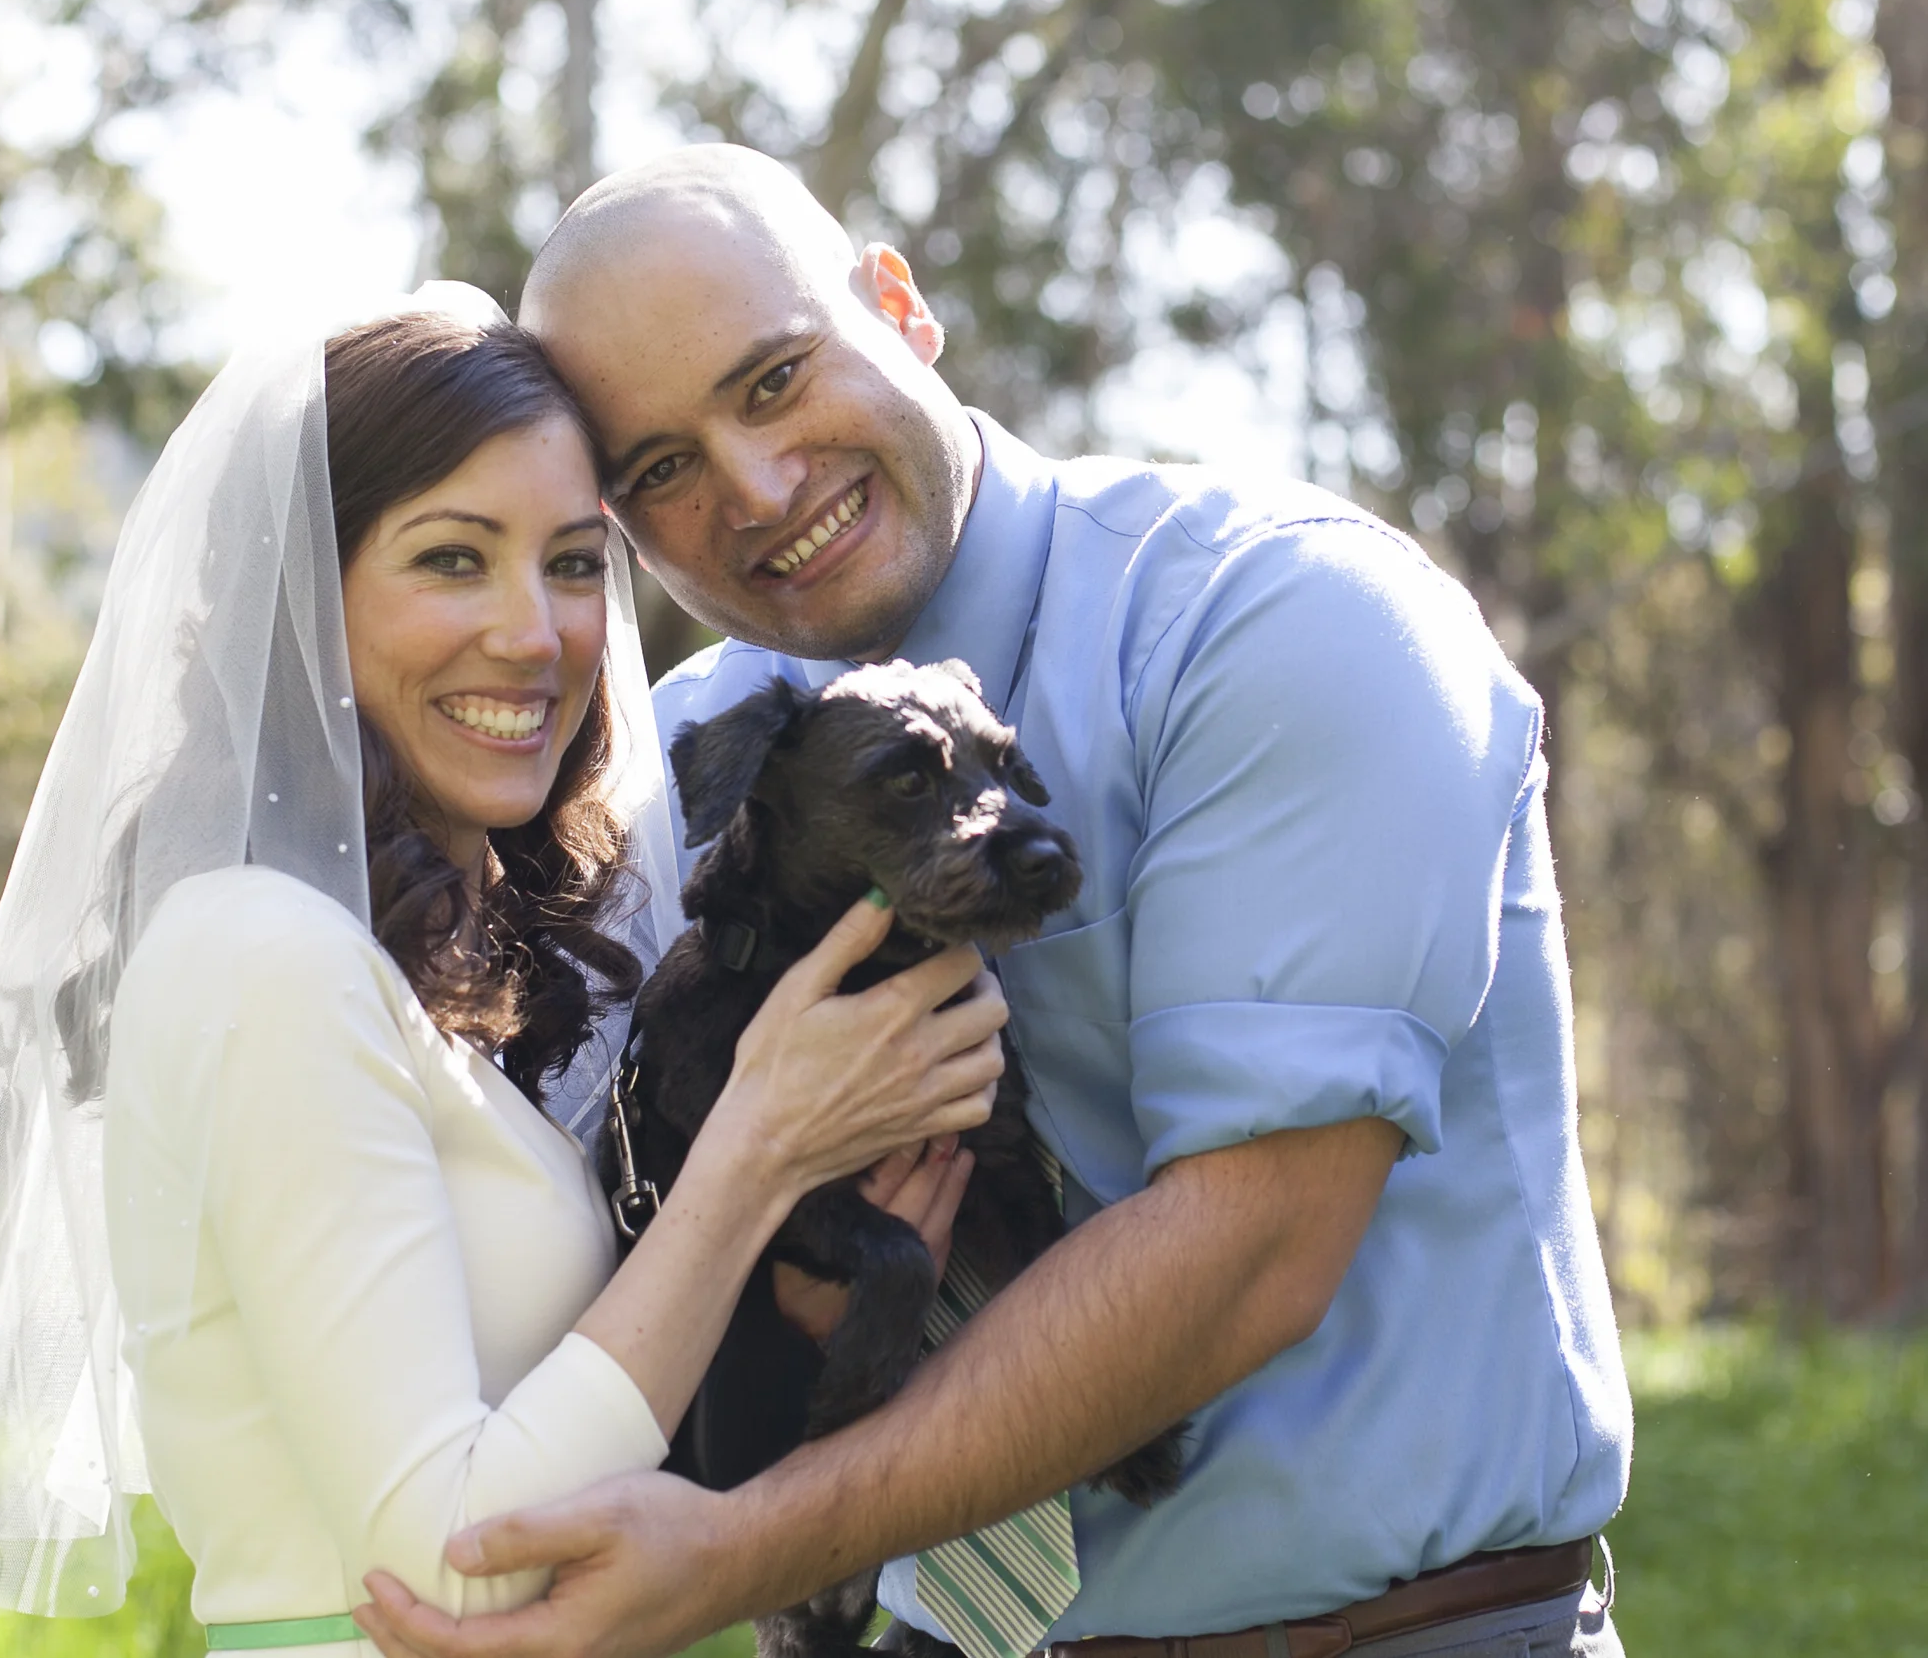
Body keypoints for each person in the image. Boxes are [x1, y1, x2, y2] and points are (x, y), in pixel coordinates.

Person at [351, 149, 1631, 1658]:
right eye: (662, 469)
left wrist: (745, 1552)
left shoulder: (1280, 625)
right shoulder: (681, 780)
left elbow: (1254, 1248)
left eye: (774, 381)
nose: (758, 490)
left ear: (899, 305)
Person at [0, 288, 1004, 1652]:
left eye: (574, 564)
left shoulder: (410, 973)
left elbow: (577, 1454)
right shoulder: (261, 957)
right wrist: (754, 1155)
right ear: (301, 600)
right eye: (453, 559)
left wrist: (798, 1309)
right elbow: (451, 1570)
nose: (535, 631)